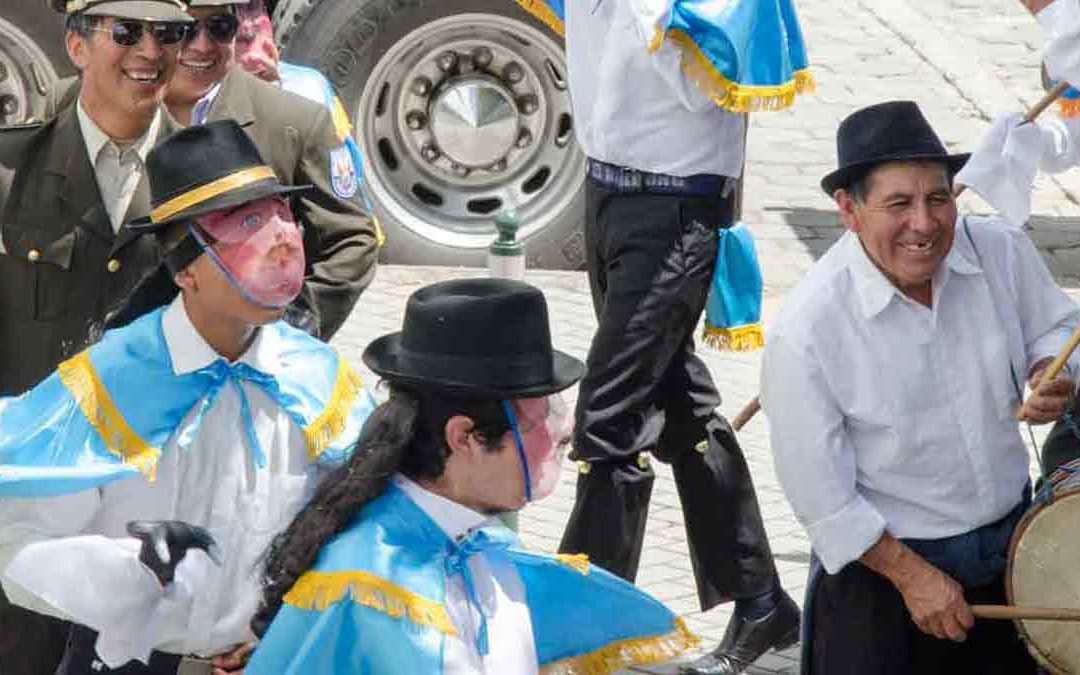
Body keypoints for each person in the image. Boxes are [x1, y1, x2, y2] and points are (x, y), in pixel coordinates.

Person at [0, 119, 375, 675]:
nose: (280, 240)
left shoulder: (316, 377)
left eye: (281, 215)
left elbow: (359, 524)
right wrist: (127, 581)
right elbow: (21, 544)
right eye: (247, 222)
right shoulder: (111, 384)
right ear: (186, 271)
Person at [761, 100, 1080, 674]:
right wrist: (915, 578)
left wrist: (1051, 371)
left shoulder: (999, 252)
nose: (924, 224)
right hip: (883, 579)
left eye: (937, 199)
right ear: (848, 210)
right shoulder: (805, 331)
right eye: (898, 204)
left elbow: (1061, 328)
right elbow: (823, 500)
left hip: (1009, 557)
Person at [245, 277, 700, 674]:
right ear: (464, 436)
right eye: (534, 420)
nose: (560, 434)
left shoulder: (468, 540)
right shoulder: (373, 589)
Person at [555, 2, 805, 673]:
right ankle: (762, 602)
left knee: (606, 419)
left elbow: (704, 84)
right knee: (680, 409)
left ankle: (586, 632)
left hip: (675, 209)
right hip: (604, 188)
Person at [0, 2, 194, 672]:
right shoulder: (11, 175)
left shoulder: (204, 182)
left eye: (168, 33)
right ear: (76, 46)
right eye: (126, 32)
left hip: (144, 515)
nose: (150, 50)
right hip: (25, 503)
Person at [163, 0, 378, 340]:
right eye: (184, 30)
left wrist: (296, 324)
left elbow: (351, 239)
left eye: (219, 27)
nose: (202, 45)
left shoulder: (295, 122)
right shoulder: (117, 111)